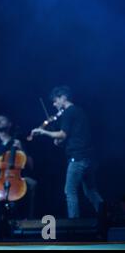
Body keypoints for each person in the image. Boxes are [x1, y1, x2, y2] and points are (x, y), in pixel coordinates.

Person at [30, 85, 103, 218]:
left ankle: (73, 225)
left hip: (77, 158)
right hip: (88, 158)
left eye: (56, 100)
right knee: (91, 192)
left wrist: (43, 131)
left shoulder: (68, 112)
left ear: (63, 97)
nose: (54, 103)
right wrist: (60, 140)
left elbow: (63, 134)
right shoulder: (79, 111)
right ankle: (105, 218)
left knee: (70, 191)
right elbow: (73, 136)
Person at [0, 115, 37, 219]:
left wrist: (22, 149)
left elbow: (30, 165)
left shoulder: (15, 142)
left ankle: (26, 219)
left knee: (32, 184)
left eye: (2, 120)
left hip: (13, 176)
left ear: (9, 124)